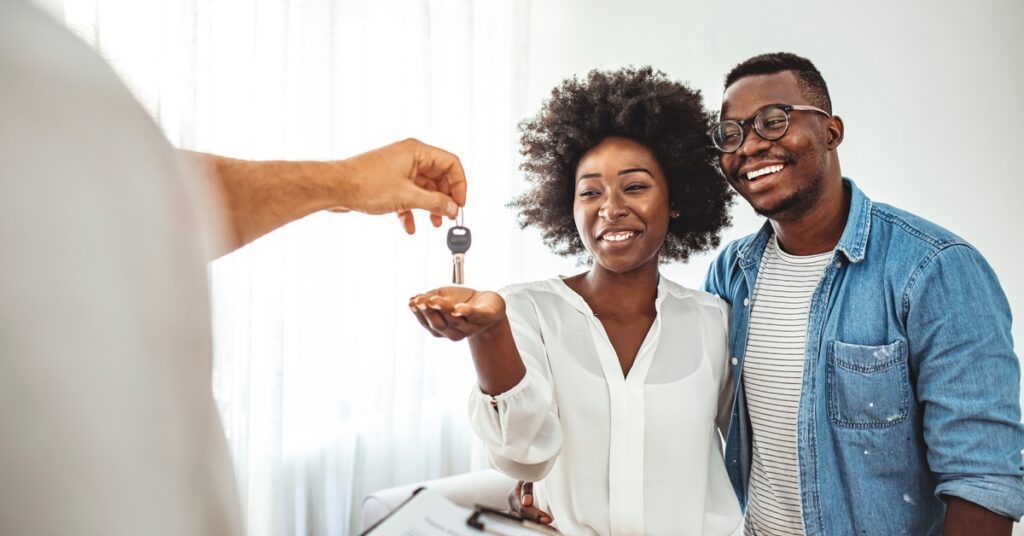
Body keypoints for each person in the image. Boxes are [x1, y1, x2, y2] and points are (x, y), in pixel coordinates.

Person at [0, 1, 465, 535]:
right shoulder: (33, 77)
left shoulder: (38, 73)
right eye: (585, 190)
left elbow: (156, 198)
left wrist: (344, 185)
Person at [408, 67, 742, 535]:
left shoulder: (715, 323)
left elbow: (755, 455)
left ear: (677, 198)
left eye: (635, 186)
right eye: (590, 192)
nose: (610, 207)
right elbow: (523, 454)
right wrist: (489, 333)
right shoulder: (527, 311)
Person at [703, 52, 1024, 535]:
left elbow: (982, 481)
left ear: (831, 132)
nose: (749, 146)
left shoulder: (934, 268)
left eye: (773, 121)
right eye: (732, 133)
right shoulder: (732, 273)